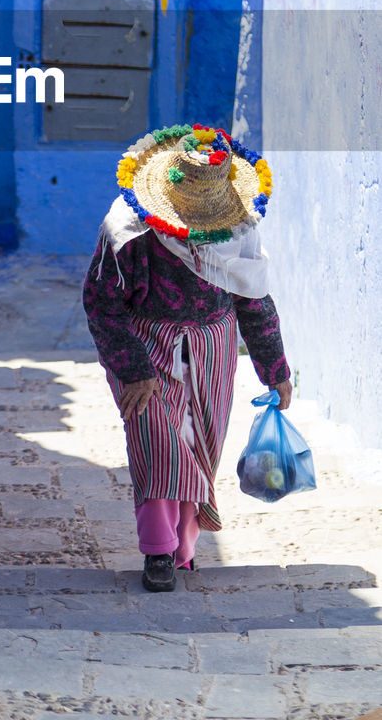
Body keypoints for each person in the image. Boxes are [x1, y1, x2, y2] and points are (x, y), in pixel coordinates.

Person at [82, 123, 292, 593]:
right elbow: (101, 302)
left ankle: (183, 552)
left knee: (199, 447)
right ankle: (157, 551)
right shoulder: (128, 231)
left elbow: (252, 298)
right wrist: (134, 370)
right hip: (145, 346)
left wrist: (274, 369)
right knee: (159, 445)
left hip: (213, 348)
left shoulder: (236, 229)